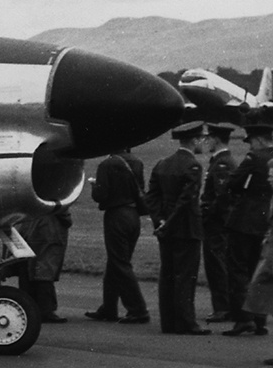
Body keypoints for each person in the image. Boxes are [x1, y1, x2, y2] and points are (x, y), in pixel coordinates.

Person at [144, 122, 210, 335]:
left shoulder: (163, 164)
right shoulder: (193, 166)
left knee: (168, 274)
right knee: (185, 276)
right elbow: (186, 201)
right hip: (186, 228)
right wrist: (169, 222)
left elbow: (152, 196)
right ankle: (186, 322)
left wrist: (160, 221)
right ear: (194, 140)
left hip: (166, 229)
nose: (203, 142)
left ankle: (169, 322)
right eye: (201, 138)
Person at [85, 147, 151, 323]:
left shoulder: (106, 164)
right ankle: (109, 307)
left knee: (120, 264)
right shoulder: (136, 162)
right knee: (117, 262)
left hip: (116, 215)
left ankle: (138, 310)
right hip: (133, 215)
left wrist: (94, 185)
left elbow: (100, 195)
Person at [221, 118, 273, 336]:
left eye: (251, 141)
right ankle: (260, 318)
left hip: (246, 219)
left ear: (259, 139)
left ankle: (244, 318)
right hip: (266, 218)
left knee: (238, 268)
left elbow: (233, 182)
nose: (250, 146)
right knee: (259, 270)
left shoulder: (254, 157)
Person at [200, 123, 238, 322]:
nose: (206, 141)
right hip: (219, 222)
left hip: (217, 224)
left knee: (217, 265)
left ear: (216, 139)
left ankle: (222, 307)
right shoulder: (222, 161)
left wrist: (206, 215)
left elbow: (222, 197)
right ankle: (225, 305)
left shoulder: (222, 164)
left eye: (209, 137)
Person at [14, 204, 71, 322]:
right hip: (49, 224)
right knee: (45, 267)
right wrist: (65, 217)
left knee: (28, 263)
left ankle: (28, 306)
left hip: (30, 221)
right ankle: (45, 309)